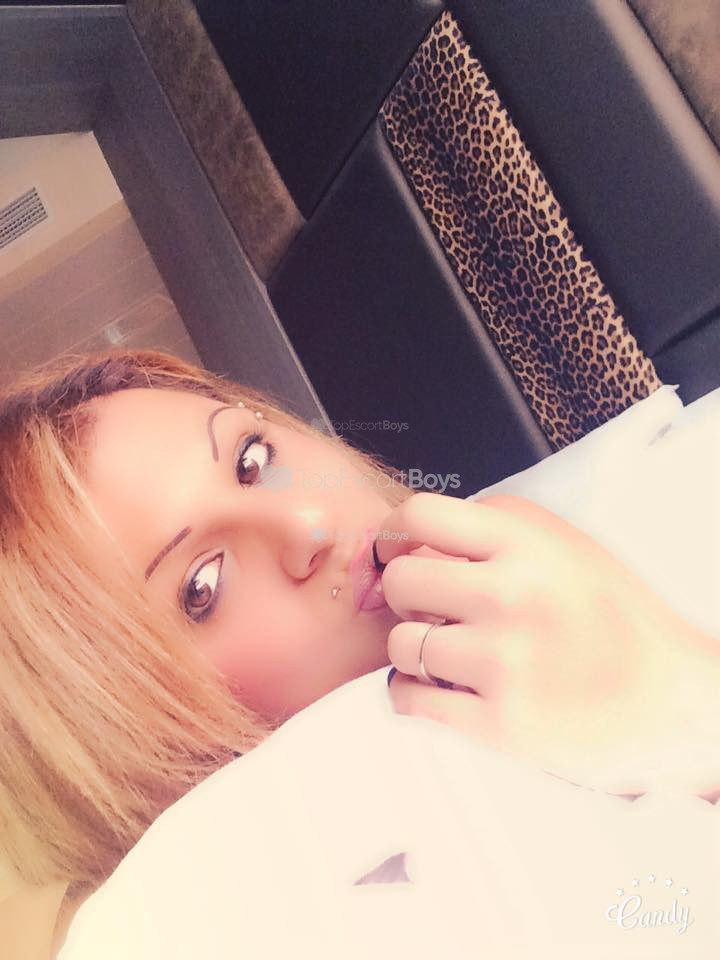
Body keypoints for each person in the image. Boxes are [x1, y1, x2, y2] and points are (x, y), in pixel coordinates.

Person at [1, 349, 718, 957]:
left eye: (253, 459)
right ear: (125, 744)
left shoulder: (539, 537)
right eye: (203, 588)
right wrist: (686, 707)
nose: (309, 525)